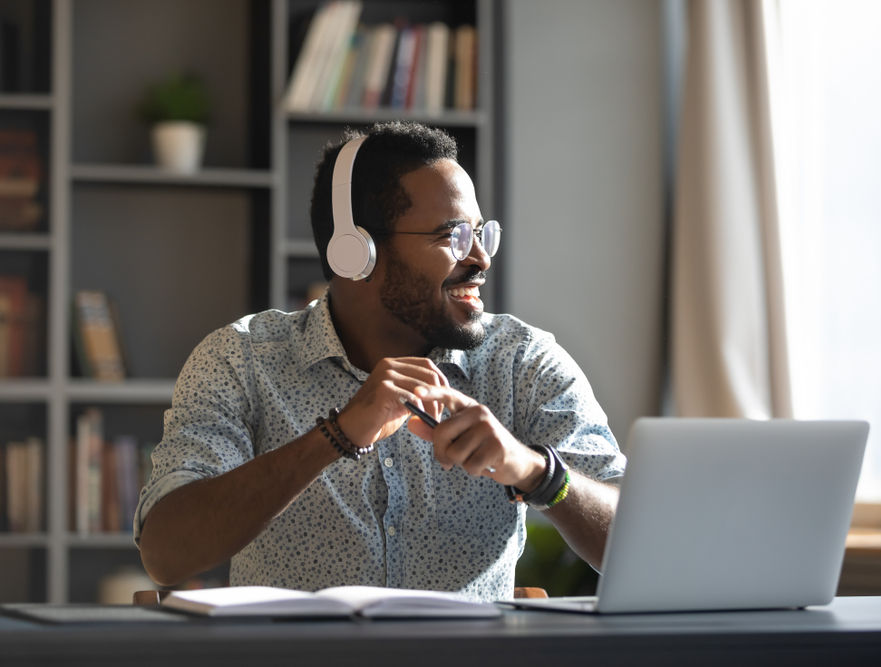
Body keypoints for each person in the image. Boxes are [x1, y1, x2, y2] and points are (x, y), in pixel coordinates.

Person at [135, 121, 626, 601]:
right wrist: (336, 436)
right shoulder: (242, 359)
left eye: (481, 233)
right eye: (452, 236)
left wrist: (538, 472)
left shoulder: (522, 361)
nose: (480, 258)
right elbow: (166, 553)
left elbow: (641, 537)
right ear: (357, 253)